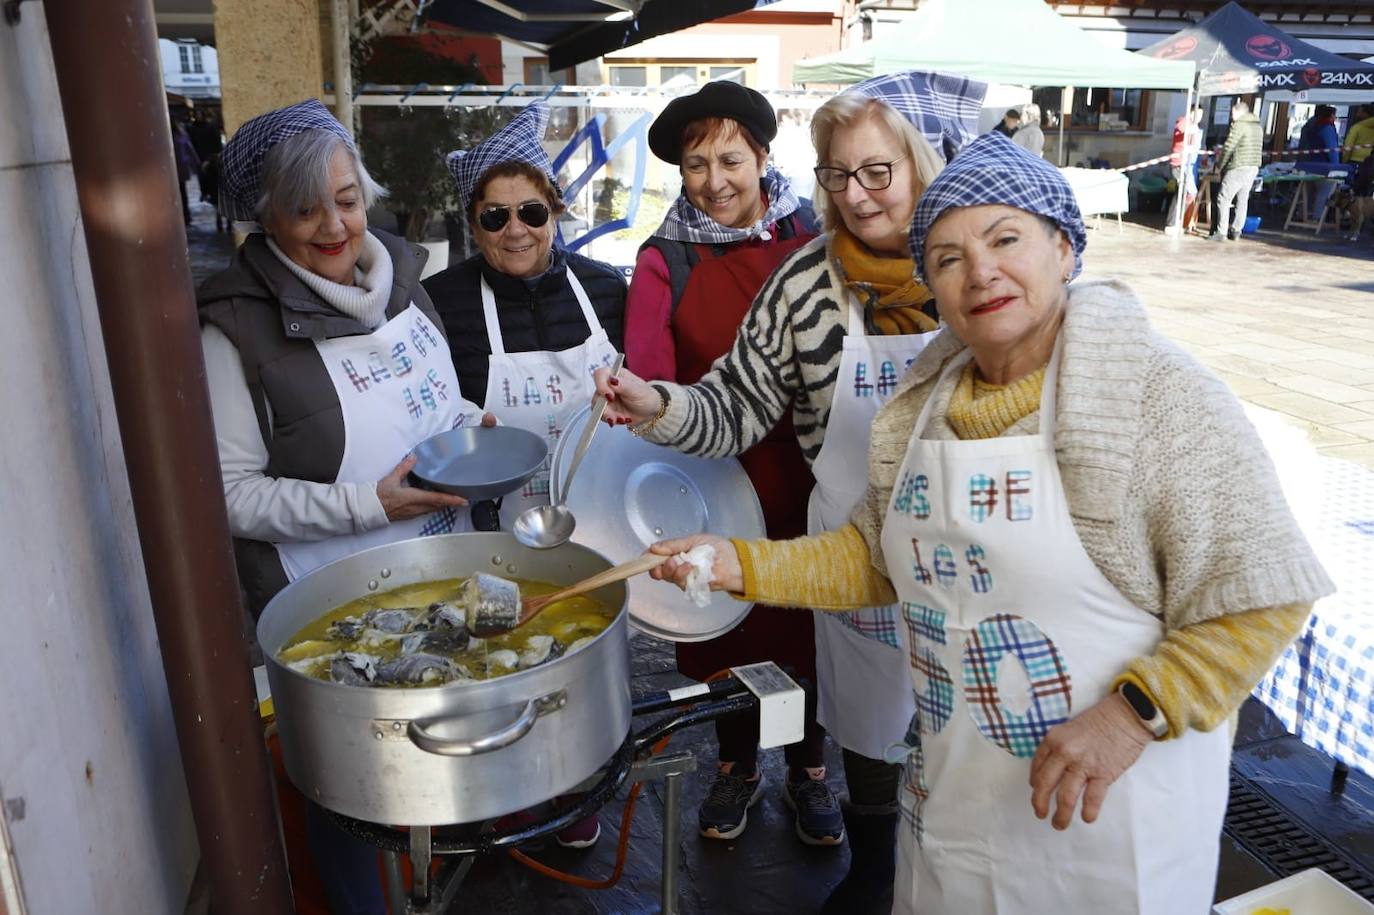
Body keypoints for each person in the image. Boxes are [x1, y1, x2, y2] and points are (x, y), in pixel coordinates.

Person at [648, 131, 1333, 915]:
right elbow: (875, 555)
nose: (979, 272)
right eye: (945, 257)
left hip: (1107, 831)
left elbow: (1262, 590)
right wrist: (738, 564)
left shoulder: (1161, 396)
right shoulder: (927, 401)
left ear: (1067, 247)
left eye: (1005, 238)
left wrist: (1134, 713)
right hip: (956, 811)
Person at [596, 71, 986, 914]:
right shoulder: (806, 280)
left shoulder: (974, 266)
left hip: (980, 554)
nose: (857, 193)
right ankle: (877, 866)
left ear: (922, 166)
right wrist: (656, 402)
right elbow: (734, 401)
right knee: (874, 720)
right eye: (840, 174)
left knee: (976, 726)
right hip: (850, 549)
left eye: (877, 171)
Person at [199, 99, 489, 915]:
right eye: (306, 209)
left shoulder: (400, 276)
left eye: (349, 199)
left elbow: (436, 404)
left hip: (443, 566)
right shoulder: (234, 332)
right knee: (354, 790)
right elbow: (229, 496)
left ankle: (430, 888)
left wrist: (471, 429)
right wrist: (370, 502)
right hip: (336, 607)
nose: (336, 226)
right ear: (267, 218)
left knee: (433, 764)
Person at [626, 80, 838, 848]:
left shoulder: (814, 234)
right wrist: (639, 394)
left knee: (810, 627)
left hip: (809, 478)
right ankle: (736, 766)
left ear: (761, 156)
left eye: (729, 159)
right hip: (712, 478)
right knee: (724, 633)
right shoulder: (664, 258)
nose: (714, 181)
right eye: (694, 164)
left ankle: (813, 773)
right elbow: (651, 367)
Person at [422, 99, 625, 849]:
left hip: (592, 508)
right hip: (494, 520)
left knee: (581, 655)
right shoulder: (442, 302)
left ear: (557, 211)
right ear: (471, 225)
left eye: (532, 212)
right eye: (494, 217)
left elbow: (643, 395)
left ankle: (571, 790)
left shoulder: (606, 290)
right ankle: (497, 794)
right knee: (496, 659)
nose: (516, 231)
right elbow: (431, 415)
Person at [1212, 98, 1262, 241]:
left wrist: (1220, 165)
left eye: (1232, 113)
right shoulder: (1257, 126)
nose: (1230, 116)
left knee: (1223, 198)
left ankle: (1221, 232)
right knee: (1242, 199)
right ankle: (1236, 230)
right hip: (1253, 166)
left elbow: (1229, 147)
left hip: (1238, 166)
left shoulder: (1240, 125)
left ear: (1240, 112)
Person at [1297, 105, 1342, 222]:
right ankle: (1317, 218)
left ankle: (1303, 215)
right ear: (1331, 115)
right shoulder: (1327, 128)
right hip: (1324, 166)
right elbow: (1332, 149)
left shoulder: (1309, 126)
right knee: (1324, 193)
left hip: (1307, 164)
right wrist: (1336, 167)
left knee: (1307, 193)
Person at [1165, 107, 1203, 234]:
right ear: (1191, 113)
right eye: (1197, 114)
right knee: (1183, 192)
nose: (1199, 117)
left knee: (1190, 193)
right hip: (1179, 164)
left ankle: (1178, 221)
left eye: (1201, 115)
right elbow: (1180, 128)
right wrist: (1192, 128)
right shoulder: (1183, 122)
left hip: (1189, 164)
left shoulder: (1195, 127)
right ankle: (1171, 224)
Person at [172, 118, 200, 226]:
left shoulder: (176, 136)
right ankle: (185, 214)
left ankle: (184, 214)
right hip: (181, 166)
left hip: (178, 167)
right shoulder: (181, 135)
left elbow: (189, 148)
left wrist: (195, 161)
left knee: (180, 191)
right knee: (182, 191)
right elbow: (189, 148)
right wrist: (195, 161)